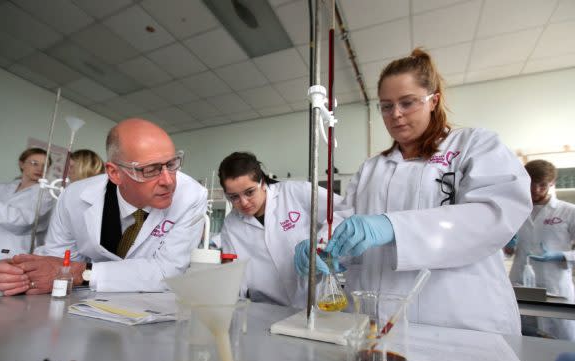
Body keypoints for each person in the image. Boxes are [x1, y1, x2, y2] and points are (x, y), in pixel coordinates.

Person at [295, 48, 532, 334]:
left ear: (434, 101)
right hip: (373, 322)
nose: (395, 114)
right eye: (386, 106)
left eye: (407, 103)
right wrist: (323, 248)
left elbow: (495, 214)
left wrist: (394, 226)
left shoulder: (473, 145)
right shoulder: (371, 168)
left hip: (458, 323)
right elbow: (344, 225)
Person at [0, 118, 207, 295]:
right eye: (150, 170)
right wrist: (23, 272)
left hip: (153, 308)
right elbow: (59, 260)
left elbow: (167, 272)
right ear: (115, 173)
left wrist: (80, 273)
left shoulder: (191, 195)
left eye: (171, 164)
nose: (169, 181)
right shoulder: (74, 197)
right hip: (85, 306)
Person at [219, 152, 342, 307]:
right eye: (234, 197)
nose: (243, 202)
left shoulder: (296, 192)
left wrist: (321, 244)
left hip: (318, 303)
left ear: (262, 183)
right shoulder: (231, 226)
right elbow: (233, 278)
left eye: (249, 192)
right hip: (269, 312)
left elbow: (342, 213)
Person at [507, 160, 575, 340]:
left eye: (542, 185)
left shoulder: (568, 211)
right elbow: (507, 253)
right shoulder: (516, 211)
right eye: (531, 183)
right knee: (521, 340)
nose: (536, 190)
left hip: (555, 287)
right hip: (520, 285)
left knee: (563, 342)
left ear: (552, 183)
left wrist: (562, 255)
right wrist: (507, 247)